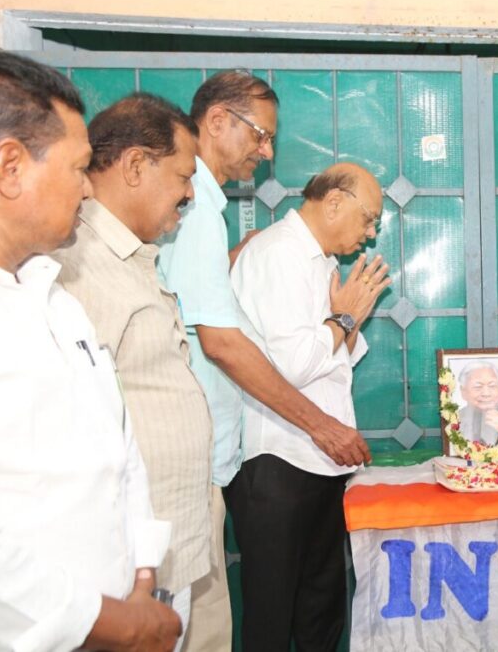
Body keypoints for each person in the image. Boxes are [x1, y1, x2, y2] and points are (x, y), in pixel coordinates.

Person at [0, 52, 179, 650]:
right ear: (9, 167)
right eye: (79, 169)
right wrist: (110, 624)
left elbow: (119, 453)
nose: (87, 188)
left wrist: (143, 577)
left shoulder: (57, 301)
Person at [157, 70, 369, 651]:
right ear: (217, 121)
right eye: (260, 135)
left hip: (266, 450)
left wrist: (345, 323)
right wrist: (342, 330)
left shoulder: (215, 215)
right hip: (269, 449)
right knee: (238, 620)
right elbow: (230, 344)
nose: (267, 151)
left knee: (308, 608)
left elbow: (188, 297)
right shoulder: (199, 204)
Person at [52, 93, 212, 647]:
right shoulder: (78, 265)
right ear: (137, 165)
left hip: (162, 550)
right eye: (184, 176)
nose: (191, 194)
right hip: (127, 570)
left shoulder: (132, 257)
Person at [227, 162, 390, 651]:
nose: (371, 233)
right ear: (334, 201)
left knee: (320, 610)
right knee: (272, 616)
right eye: (369, 219)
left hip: (321, 457)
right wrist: (344, 316)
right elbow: (292, 365)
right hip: (278, 459)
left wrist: (347, 320)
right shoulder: (277, 253)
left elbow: (337, 355)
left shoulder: (320, 262)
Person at [455, 360, 498, 444]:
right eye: (478, 386)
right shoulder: (454, 420)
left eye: (492, 385)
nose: (486, 393)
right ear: (463, 391)